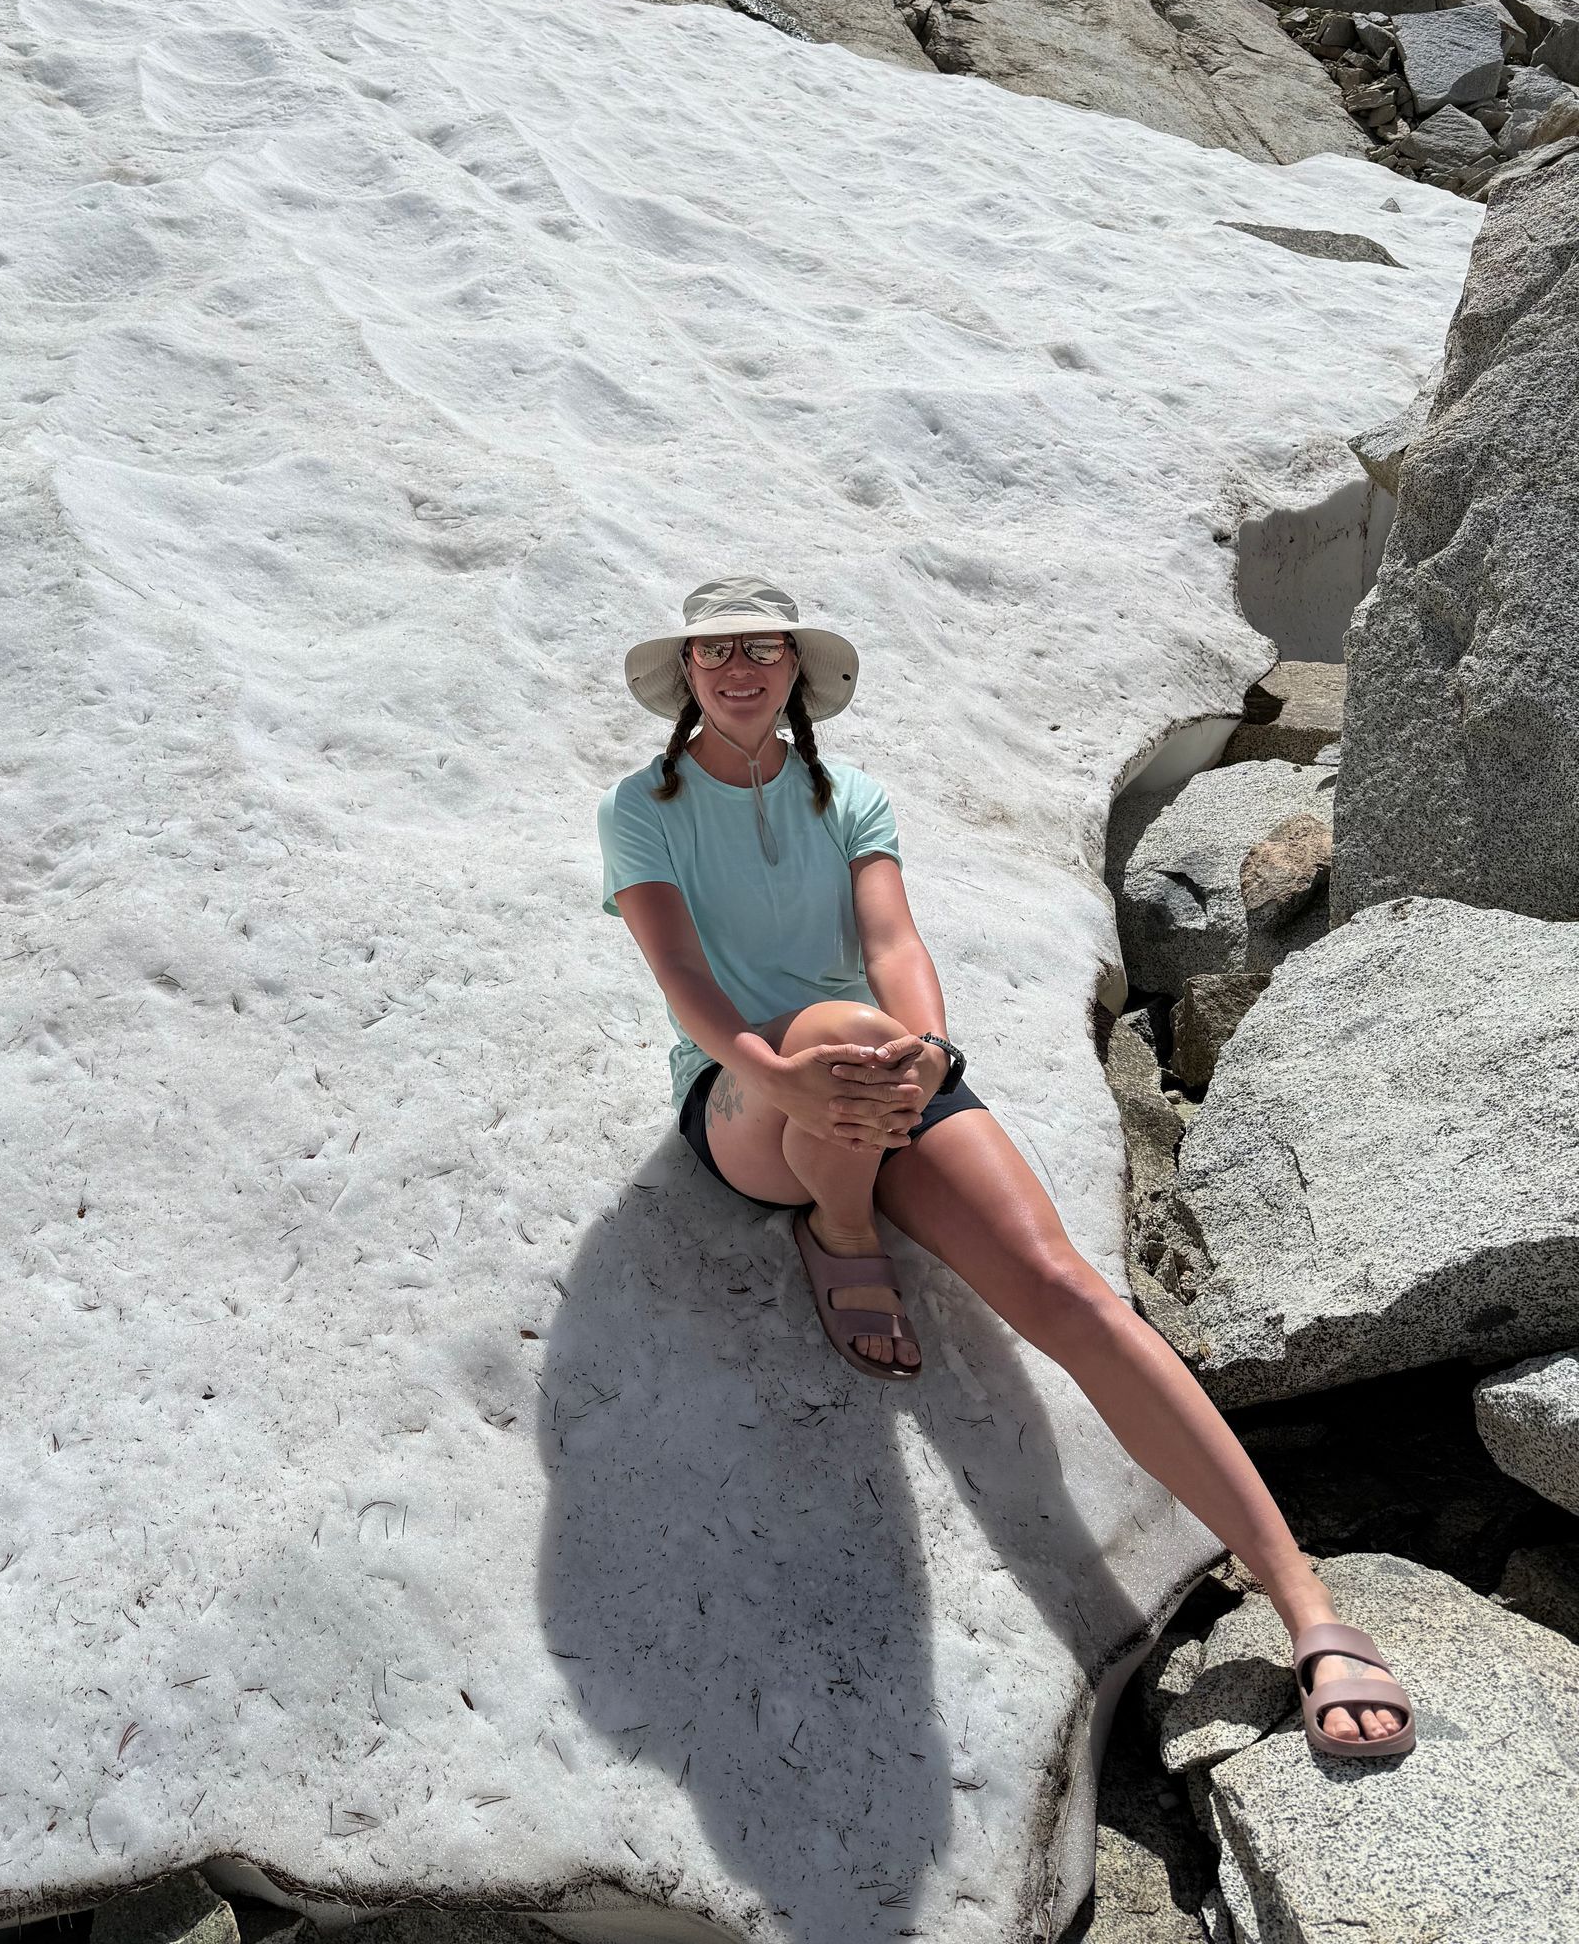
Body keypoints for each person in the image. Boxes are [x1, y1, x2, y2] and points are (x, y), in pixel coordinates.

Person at [597, 577, 1417, 1760]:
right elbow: (684, 979)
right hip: (743, 1101)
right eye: (715, 650)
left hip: (880, 1080)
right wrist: (783, 1074)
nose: (739, 669)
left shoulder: (850, 795)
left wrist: (925, 1055)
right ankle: (839, 1227)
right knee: (828, 1029)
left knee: (1067, 1288)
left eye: (762, 649)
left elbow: (892, 944)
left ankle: (1309, 1606)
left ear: (792, 669)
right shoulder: (643, 807)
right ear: (686, 673)